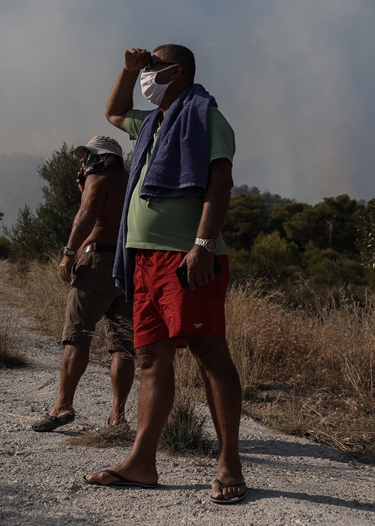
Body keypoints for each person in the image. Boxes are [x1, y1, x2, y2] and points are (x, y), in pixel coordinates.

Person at [81, 45, 245, 505]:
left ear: (177, 71)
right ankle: (142, 461)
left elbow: (220, 184)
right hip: (144, 260)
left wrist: (203, 246)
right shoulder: (152, 123)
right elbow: (113, 111)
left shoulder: (206, 118)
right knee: (151, 358)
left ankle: (229, 461)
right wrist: (128, 69)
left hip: (188, 257)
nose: (148, 73)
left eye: (153, 66)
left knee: (209, 352)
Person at [31, 135, 136, 433]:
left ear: (103, 159)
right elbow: (111, 215)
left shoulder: (99, 178)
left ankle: (63, 404)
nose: (84, 162)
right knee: (122, 346)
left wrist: (68, 252)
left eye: (88, 157)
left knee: (77, 336)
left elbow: (89, 214)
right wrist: (84, 188)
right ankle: (117, 416)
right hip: (128, 268)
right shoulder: (131, 181)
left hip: (98, 264)